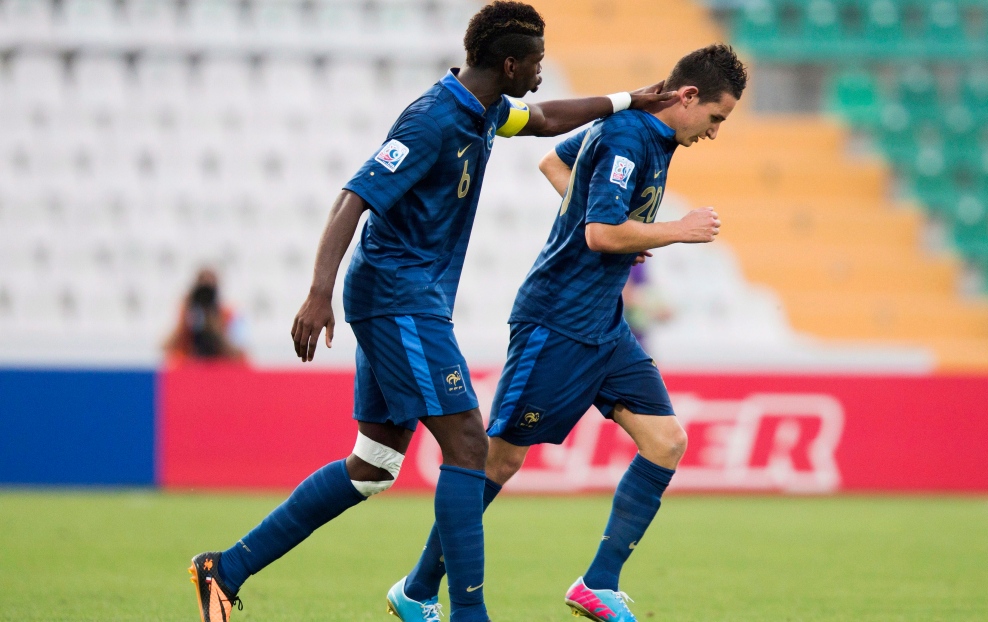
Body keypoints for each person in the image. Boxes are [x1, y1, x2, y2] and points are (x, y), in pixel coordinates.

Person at [187, 3, 673, 621]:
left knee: (374, 464)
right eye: (537, 62)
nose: (542, 73)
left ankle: (224, 569)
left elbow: (548, 120)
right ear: (509, 62)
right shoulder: (433, 120)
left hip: (412, 298)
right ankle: (468, 612)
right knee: (469, 443)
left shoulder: (489, 109)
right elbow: (352, 198)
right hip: (397, 297)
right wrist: (318, 292)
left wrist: (628, 99)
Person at [391, 44, 747, 622]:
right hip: (555, 322)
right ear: (687, 97)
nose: (714, 132)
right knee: (497, 463)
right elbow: (601, 235)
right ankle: (418, 588)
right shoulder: (628, 139)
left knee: (667, 442)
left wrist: (617, 226)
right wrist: (671, 230)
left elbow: (554, 164)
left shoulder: (649, 137)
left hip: (603, 325)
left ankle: (597, 584)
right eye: (715, 118)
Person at [164, 267, 245, 362]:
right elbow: (167, 347)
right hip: (190, 367)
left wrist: (214, 326)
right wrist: (185, 321)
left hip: (219, 367)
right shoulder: (188, 313)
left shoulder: (229, 314)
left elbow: (239, 353)